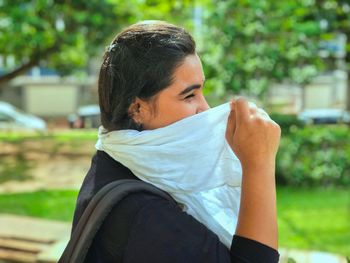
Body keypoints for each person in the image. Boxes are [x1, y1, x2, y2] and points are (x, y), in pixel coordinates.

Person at [71, 21, 281, 262]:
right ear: (137, 109)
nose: (206, 109)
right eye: (189, 95)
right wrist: (259, 164)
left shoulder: (113, 161)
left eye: (202, 91)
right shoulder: (144, 212)